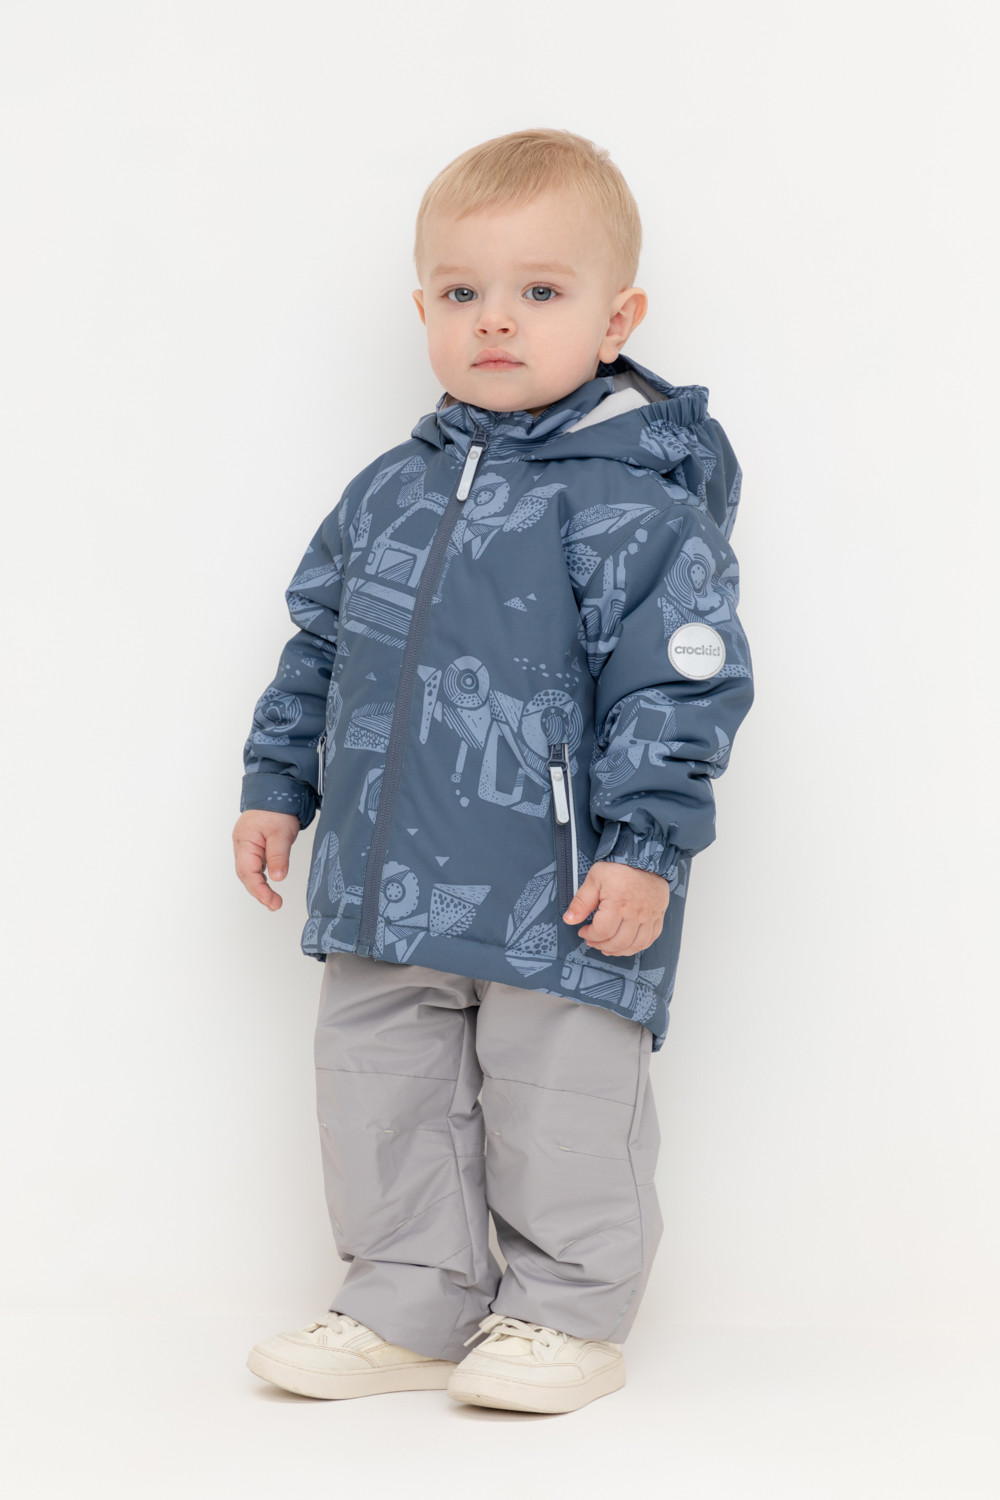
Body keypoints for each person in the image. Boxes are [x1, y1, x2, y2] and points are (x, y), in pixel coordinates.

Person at [233, 128, 754, 1414]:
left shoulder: (638, 506)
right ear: (422, 310)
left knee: (559, 1101)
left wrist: (645, 847)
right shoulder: (386, 492)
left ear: (615, 318)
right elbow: (320, 645)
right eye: (461, 291)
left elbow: (679, 688)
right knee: (379, 1098)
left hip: (559, 886)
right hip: (381, 879)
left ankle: (566, 1316)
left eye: (540, 290)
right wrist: (277, 785)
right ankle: (406, 1301)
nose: (496, 320)